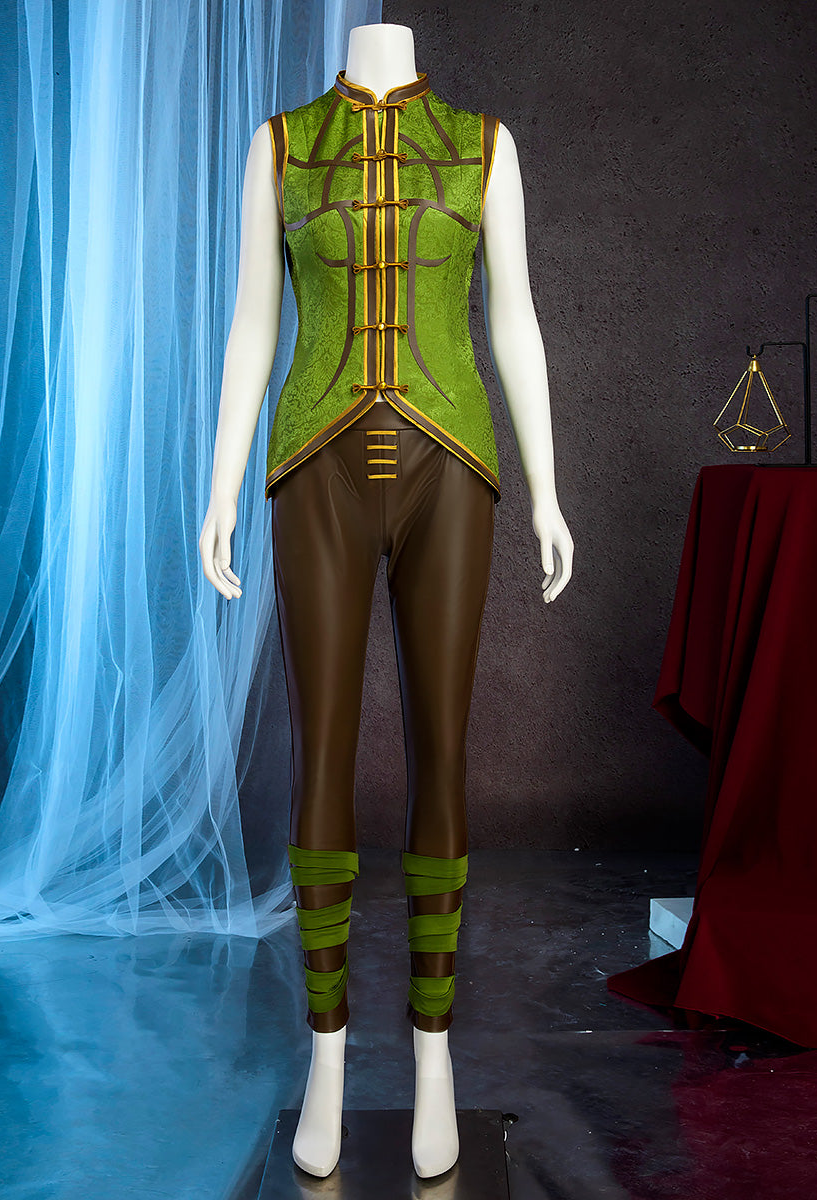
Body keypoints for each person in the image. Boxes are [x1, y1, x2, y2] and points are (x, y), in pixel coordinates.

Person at [198, 21, 573, 1181]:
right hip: (313, 462)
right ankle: (325, 1055)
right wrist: (220, 487)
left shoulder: (482, 144)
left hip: (451, 466)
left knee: (443, 755)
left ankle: (435, 1053)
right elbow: (255, 320)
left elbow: (513, 316)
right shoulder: (281, 144)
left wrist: (548, 490)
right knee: (321, 756)